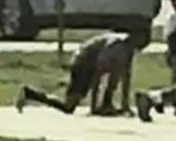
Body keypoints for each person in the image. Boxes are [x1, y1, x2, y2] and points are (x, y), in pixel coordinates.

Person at [16, 29, 150, 116]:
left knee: (118, 72)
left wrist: (125, 106)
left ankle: (106, 103)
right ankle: (29, 93)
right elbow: (97, 75)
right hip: (83, 63)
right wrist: (93, 108)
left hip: (91, 64)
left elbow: (126, 77)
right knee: (68, 107)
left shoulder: (128, 51)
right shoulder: (115, 46)